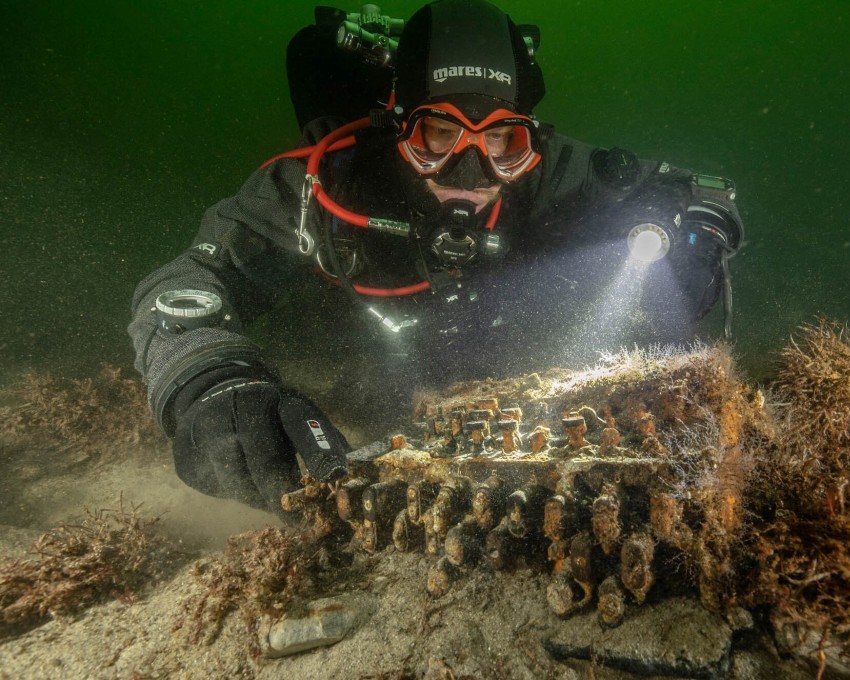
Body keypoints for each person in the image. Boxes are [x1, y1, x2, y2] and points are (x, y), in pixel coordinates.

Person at [128, 0, 744, 515]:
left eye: (502, 140)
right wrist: (208, 380)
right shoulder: (324, 187)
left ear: (530, 141)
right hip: (350, 351)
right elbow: (188, 280)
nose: (472, 172)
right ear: (398, 126)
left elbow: (703, 190)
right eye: (439, 135)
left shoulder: (553, 173)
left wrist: (699, 237)